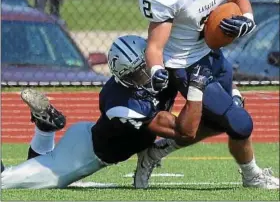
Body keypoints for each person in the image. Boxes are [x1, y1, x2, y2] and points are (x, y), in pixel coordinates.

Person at [136, 0, 279, 189]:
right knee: (240, 123)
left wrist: (246, 22)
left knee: (222, 119)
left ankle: (156, 151)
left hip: (214, 54)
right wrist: (157, 71)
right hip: (186, 65)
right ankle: (251, 176)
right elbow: (155, 46)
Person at [1, 35, 214, 189]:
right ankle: (45, 129)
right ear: (125, 77)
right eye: (139, 73)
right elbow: (184, 130)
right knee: (6, 181)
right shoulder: (123, 104)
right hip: (84, 156)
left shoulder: (159, 65)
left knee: (35, 169)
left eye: (147, 66)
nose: (148, 75)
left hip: (86, 137)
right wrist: (196, 88)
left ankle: (45, 129)